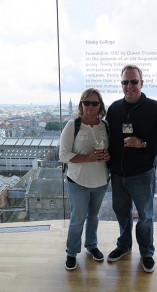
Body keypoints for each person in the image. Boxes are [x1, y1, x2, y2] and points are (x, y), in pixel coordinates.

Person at [106, 65, 157, 273]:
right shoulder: (114, 108)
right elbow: (108, 138)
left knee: (145, 215)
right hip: (118, 174)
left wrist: (143, 143)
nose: (129, 86)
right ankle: (124, 246)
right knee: (121, 212)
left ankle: (146, 253)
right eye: (125, 82)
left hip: (143, 174)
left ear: (141, 83)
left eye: (133, 81)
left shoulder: (154, 108)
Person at [59, 88, 110, 270]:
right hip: (78, 181)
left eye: (94, 103)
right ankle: (71, 252)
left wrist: (107, 156)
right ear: (81, 105)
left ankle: (91, 246)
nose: (90, 106)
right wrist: (87, 158)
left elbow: (110, 151)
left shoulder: (105, 126)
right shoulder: (73, 125)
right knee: (77, 219)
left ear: (100, 106)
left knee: (94, 217)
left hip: (101, 180)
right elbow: (63, 155)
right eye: (86, 102)